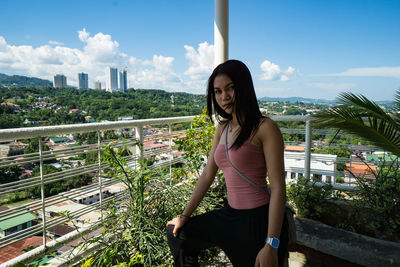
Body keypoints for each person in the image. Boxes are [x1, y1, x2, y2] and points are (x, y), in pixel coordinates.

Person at [166, 59, 288, 267]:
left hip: (257, 221)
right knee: (177, 233)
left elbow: (278, 188)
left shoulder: (265, 128)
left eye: (230, 88)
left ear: (244, 87)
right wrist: (184, 215)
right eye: (218, 91)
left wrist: (271, 244)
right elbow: (207, 175)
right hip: (230, 216)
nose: (224, 97)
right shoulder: (222, 129)